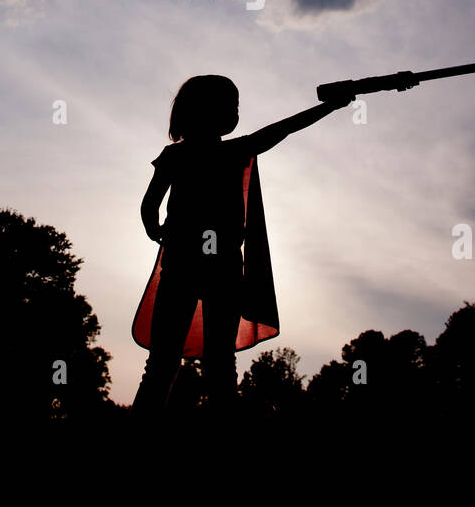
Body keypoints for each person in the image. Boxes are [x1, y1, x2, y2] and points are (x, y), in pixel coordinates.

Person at [130, 74, 352, 417]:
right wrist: (329, 107)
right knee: (218, 365)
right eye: (230, 105)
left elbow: (149, 205)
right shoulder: (231, 151)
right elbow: (284, 129)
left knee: (164, 363)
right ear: (208, 111)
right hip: (217, 269)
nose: (235, 112)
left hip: (186, 266)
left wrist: (153, 228)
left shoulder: (179, 155)